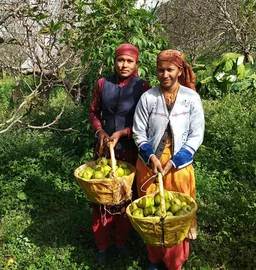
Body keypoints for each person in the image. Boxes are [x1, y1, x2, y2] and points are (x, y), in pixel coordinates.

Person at [132, 50, 205, 270]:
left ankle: (175, 262)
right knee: (152, 214)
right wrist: (151, 156)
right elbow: (138, 132)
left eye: (170, 70)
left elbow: (196, 134)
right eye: (161, 70)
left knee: (177, 216)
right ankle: (154, 258)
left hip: (179, 167)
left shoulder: (190, 98)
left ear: (179, 71)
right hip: (149, 166)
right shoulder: (148, 98)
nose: (165, 74)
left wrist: (174, 161)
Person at [88, 43, 151, 267]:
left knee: (125, 198)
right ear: (114, 62)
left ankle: (122, 241)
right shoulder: (103, 84)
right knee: (101, 198)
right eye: (120, 60)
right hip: (105, 151)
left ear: (137, 64)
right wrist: (101, 131)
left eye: (129, 61)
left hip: (130, 152)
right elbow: (94, 111)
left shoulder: (143, 88)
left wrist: (124, 132)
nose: (123, 65)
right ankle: (102, 245)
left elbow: (148, 123)